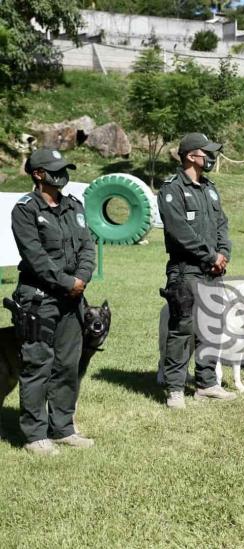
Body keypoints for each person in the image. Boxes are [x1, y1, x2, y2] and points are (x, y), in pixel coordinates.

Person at [9, 148, 96, 455]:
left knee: (68, 365)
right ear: (37, 174)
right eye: (55, 170)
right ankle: (35, 435)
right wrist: (66, 282)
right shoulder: (25, 210)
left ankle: (63, 428)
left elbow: (88, 246)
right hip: (39, 299)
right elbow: (34, 257)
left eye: (64, 169)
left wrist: (81, 278)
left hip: (73, 299)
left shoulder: (75, 206)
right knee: (37, 365)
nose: (62, 174)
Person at [158, 133, 236, 408]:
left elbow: (222, 224)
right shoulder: (172, 189)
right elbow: (179, 231)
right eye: (207, 152)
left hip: (214, 272)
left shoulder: (209, 188)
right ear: (192, 155)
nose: (211, 157)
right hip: (186, 271)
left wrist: (224, 252)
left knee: (212, 328)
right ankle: (175, 388)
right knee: (183, 329)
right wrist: (210, 255)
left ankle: (207, 384)